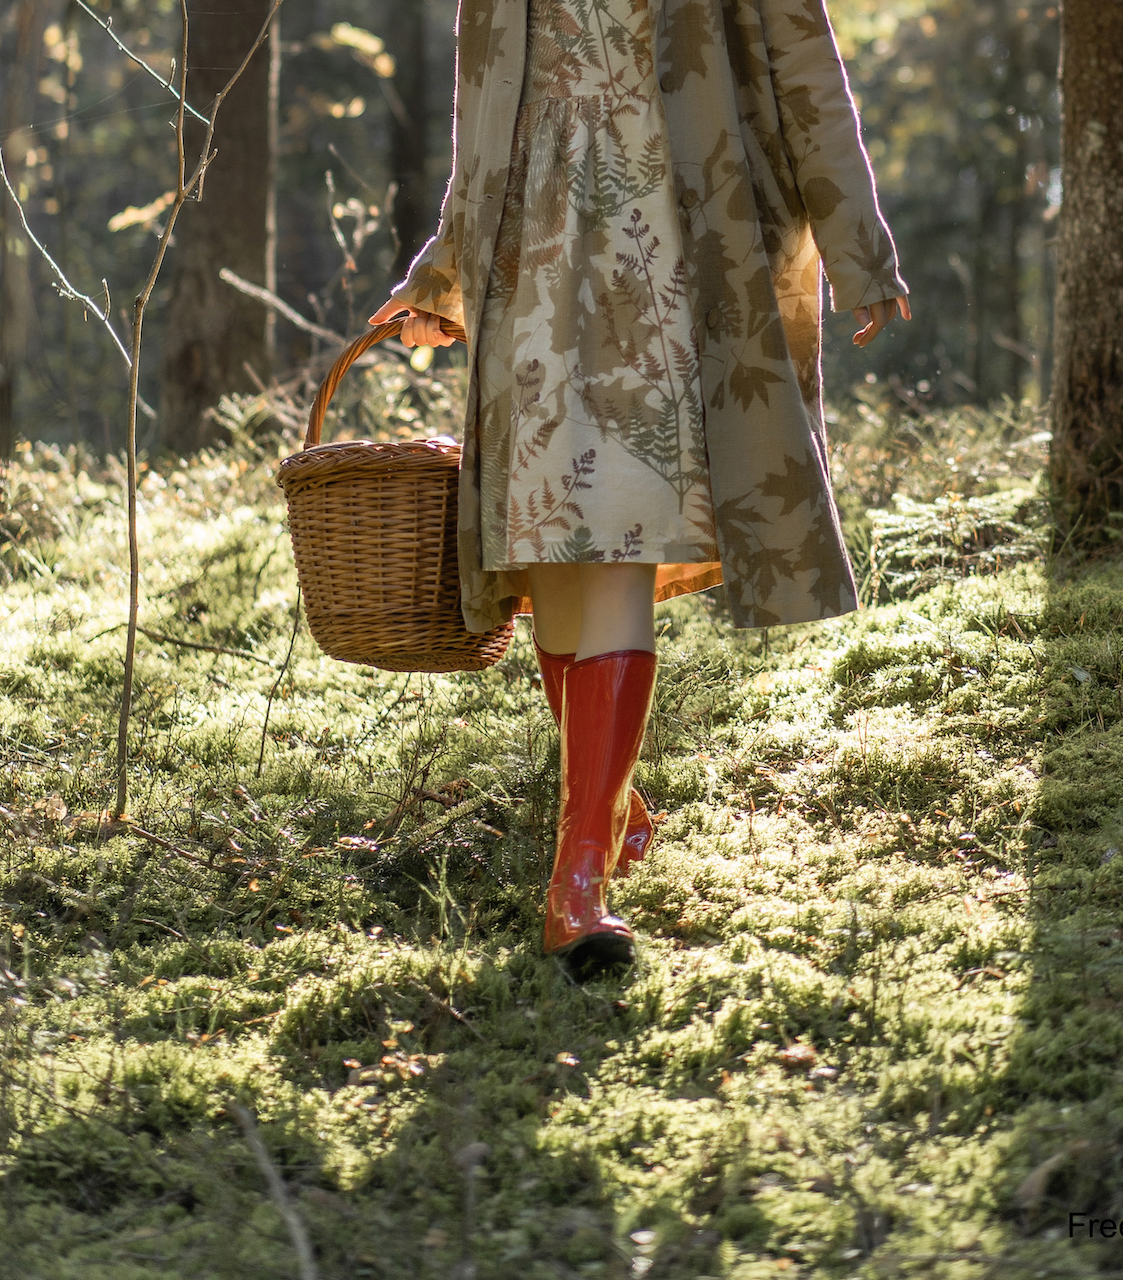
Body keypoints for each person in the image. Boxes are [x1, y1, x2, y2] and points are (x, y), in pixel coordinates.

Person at [370, 0, 909, 977]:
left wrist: (856, 245)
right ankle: (605, 814)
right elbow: (481, 107)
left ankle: (575, 887)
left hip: (667, 241)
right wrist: (443, 271)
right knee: (552, 547)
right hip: (528, 255)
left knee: (614, 529)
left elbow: (802, 62)